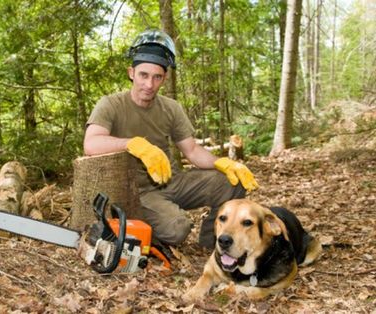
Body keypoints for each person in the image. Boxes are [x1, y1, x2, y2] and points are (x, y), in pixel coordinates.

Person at [83, 29, 259, 249]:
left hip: (172, 181)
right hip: (140, 192)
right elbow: (91, 144)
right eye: (143, 75)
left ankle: (211, 241)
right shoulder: (111, 104)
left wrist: (221, 163)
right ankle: (147, 228)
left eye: (157, 77)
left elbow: (192, 150)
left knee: (232, 183)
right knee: (177, 229)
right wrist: (132, 144)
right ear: (131, 73)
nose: (149, 84)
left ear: (164, 78)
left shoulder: (171, 108)